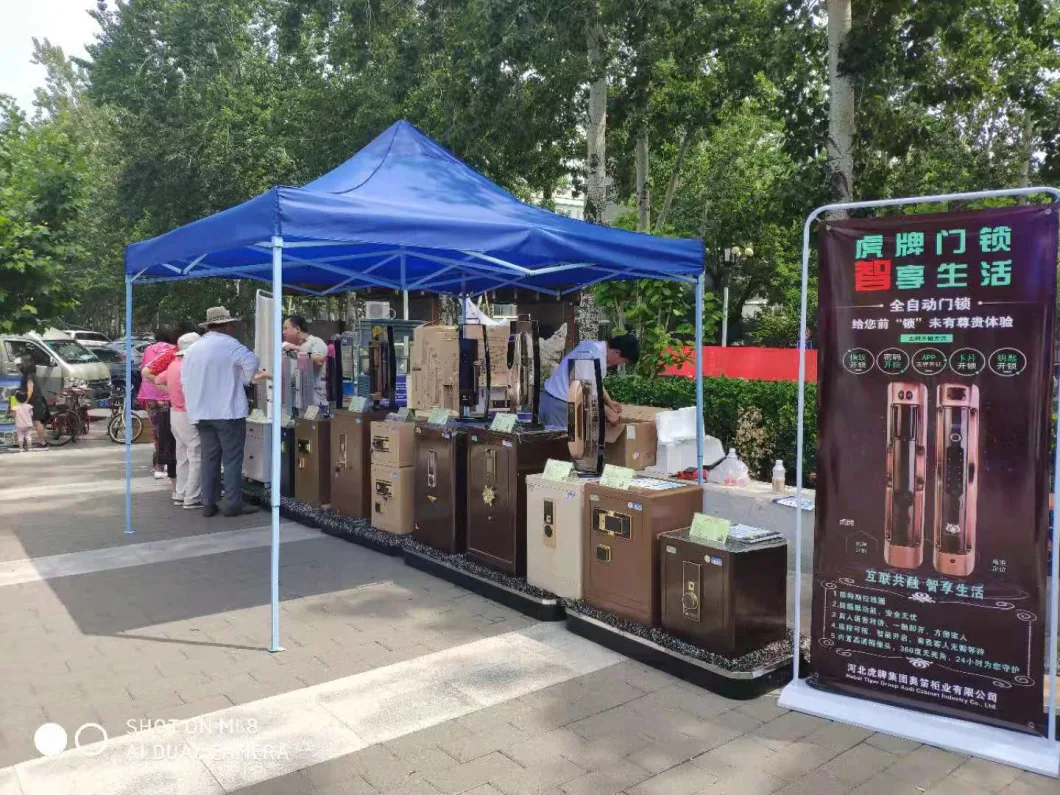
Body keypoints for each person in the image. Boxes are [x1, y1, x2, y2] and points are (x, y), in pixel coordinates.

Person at [181, 306, 264, 518]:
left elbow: (184, 380)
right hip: (228, 411)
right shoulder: (230, 345)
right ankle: (233, 503)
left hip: (201, 412)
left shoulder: (193, 349)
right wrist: (243, 380)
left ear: (209, 326)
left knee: (209, 458)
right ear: (227, 325)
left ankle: (208, 502)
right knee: (232, 459)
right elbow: (252, 362)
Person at [538, 334, 639, 429]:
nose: (621, 364)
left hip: (552, 400)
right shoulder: (593, 356)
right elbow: (586, 392)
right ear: (617, 352)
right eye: (624, 361)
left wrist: (609, 401)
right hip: (559, 406)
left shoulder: (593, 347)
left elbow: (594, 381)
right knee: (560, 445)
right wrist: (608, 412)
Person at [156, 332, 202, 509]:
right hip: (188, 414)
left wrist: (172, 393)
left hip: (175, 413)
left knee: (182, 456)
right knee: (196, 455)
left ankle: (180, 493)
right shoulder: (189, 367)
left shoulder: (173, 365)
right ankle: (192, 497)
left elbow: (158, 380)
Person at [139, 326, 179, 481]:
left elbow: (144, 368)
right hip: (166, 394)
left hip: (148, 394)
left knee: (156, 431)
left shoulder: (148, 349)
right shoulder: (172, 350)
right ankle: (170, 463)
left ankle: (159, 466)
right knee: (170, 431)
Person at [282, 315, 328, 409]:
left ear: (297, 329)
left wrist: (298, 349)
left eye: (286, 328)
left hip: (314, 403)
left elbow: (319, 359)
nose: (283, 332)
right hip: (296, 402)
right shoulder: (291, 348)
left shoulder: (315, 342)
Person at [17, 353, 48, 449]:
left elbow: (30, 389)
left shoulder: (29, 375)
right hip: (35, 400)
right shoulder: (30, 374)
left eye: (21, 364)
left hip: (34, 401)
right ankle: (25, 441)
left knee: (37, 421)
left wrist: (25, 401)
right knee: (31, 422)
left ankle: (42, 443)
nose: (19, 366)